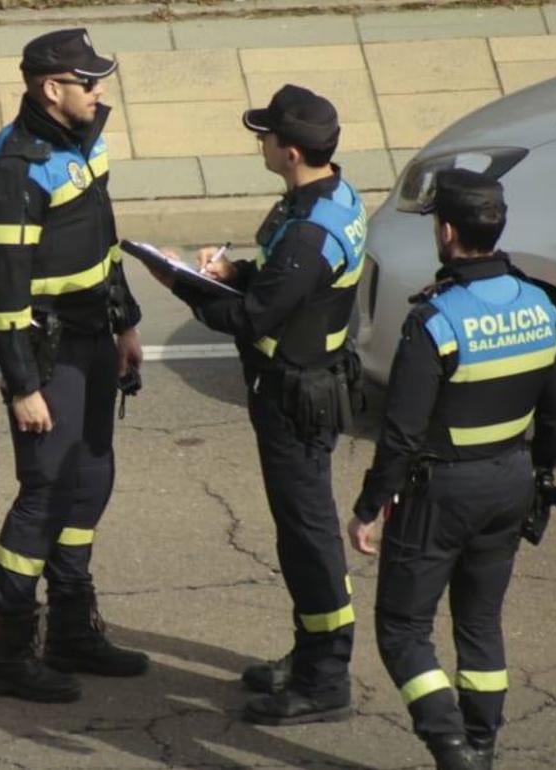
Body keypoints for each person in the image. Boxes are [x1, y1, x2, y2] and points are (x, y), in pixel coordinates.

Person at [146, 85, 367, 725]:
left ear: (291, 151)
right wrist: (236, 270)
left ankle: (325, 680)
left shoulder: (311, 231)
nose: (260, 142)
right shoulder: (327, 198)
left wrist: (181, 284)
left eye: (266, 135)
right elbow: (279, 284)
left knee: (309, 539)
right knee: (302, 533)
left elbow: (252, 318)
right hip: (305, 386)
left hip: (299, 399)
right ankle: (309, 657)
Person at [347, 169, 556, 770]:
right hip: (511, 484)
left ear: (445, 231)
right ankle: (482, 746)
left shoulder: (437, 320)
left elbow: (401, 431)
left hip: (440, 493)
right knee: (480, 627)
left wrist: (371, 506)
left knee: (401, 629)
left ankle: (451, 748)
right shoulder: (541, 307)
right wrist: (540, 481)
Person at [0, 28, 148, 704]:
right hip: (46, 352)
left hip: (95, 334)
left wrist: (125, 319)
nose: (101, 93)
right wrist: (22, 387)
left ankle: (73, 629)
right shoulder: (17, 169)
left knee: (92, 474)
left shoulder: (81, 134)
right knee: (44, 494)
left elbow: (104, 238)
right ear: (52, 88)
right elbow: (5, 292)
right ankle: (8, 654)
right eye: (90, 83)